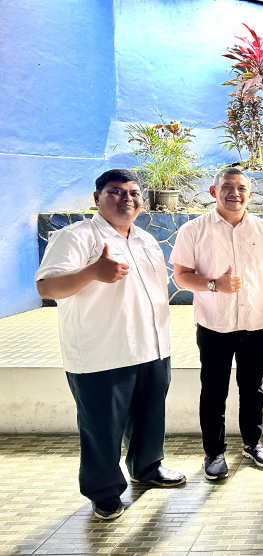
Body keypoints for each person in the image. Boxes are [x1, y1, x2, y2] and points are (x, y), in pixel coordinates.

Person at [35, 169, 185, 520]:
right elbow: (47, 287)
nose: (126, 199)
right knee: (102, 428)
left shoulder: (146, 240)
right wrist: (91, 272)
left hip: (152, 348)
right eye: (116, 192)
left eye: (133, 193)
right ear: (97, 198)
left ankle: (147, 468)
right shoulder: (76, 237)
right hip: (101, 354)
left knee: (150, 419)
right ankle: (103, 491)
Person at [169, 167, 263, 480]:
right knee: (213, 391)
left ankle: (253, 443)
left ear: (249, 194)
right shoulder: (193, 230)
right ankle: (214, 452)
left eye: (240, 188)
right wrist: (214, 286)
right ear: (214, 191)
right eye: (227, 187)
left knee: (253, 388)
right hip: (213, 324)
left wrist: (252, 295)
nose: (233, 193)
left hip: (256, 323)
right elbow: (181, 276)